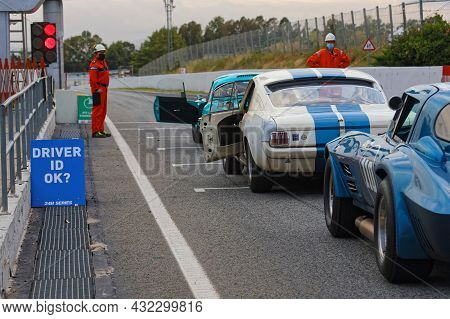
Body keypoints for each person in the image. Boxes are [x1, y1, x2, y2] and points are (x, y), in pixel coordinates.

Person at [89, 44, 111, 138]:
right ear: (95, 53)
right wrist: (96, 89)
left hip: (104, 88)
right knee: (97, 110)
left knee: (103, 111)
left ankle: (101, 130)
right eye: (100, 52)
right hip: (98, 89)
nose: (102, 53)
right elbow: (93, 79)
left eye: (103, 52)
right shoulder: (94, 64)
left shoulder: (103, 62)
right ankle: (95, 131)